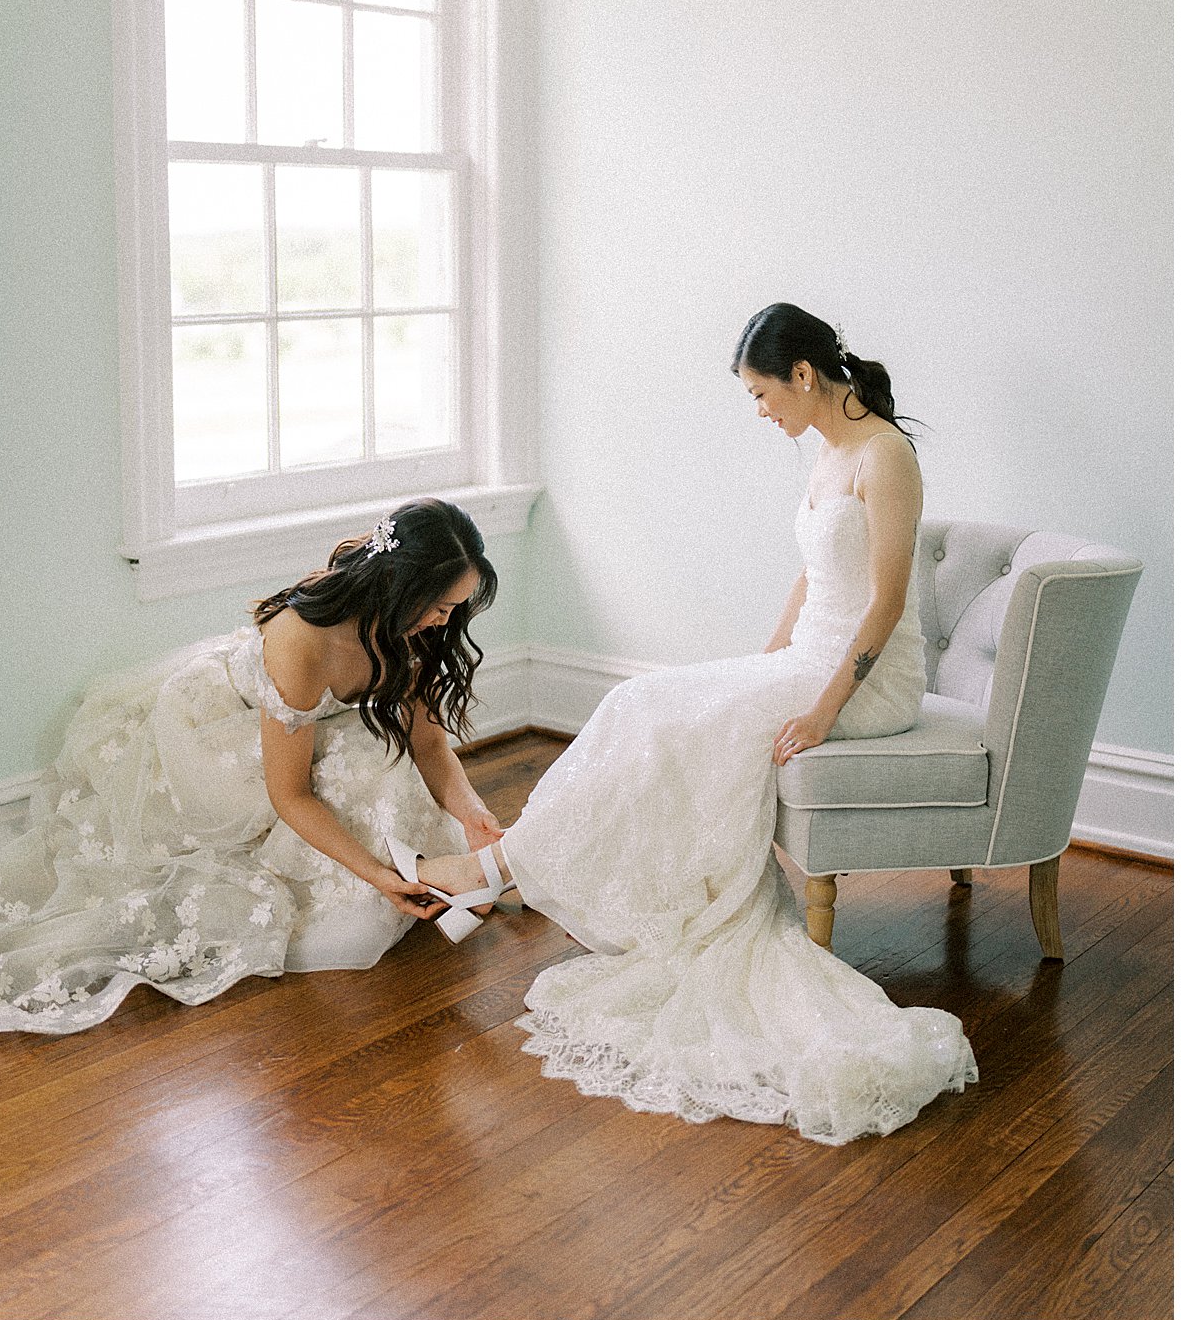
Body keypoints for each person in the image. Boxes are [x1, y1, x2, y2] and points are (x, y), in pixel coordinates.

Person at [408, 303, 978, 1144]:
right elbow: (816, 581)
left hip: (868, 683)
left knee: (663, 716)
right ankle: (505, 869)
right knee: (641, 702)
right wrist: (762, 665)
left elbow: (887, 605)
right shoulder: (826, 452)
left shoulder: (886, 455)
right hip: (808, 661)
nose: (760, 411)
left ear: (804, 377)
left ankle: (489, 869)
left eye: (759, 393)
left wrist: (821, 711)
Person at [0, 498, 503, 1035]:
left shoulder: (417, 632)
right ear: (400, 585)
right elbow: (291, 795)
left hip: (303, 730)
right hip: (218, 736)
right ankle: (405, 875)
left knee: (378, 756)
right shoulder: (306, 639)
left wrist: (472, 813)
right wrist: (375, 875)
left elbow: (430, 746)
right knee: (362, 760)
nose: (446, 621)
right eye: (440, 606)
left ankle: (424, 872)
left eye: (454, 609)